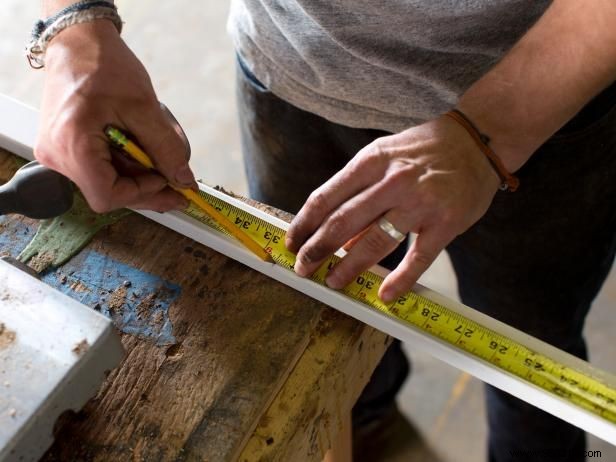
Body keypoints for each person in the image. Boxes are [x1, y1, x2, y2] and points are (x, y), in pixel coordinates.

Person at [34, 0, 616, 461]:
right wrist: (74, 31)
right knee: (328, 311)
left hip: (550, 110)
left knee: (533, 346)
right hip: (290, 78)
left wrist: (493, 129)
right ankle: (368, 418)